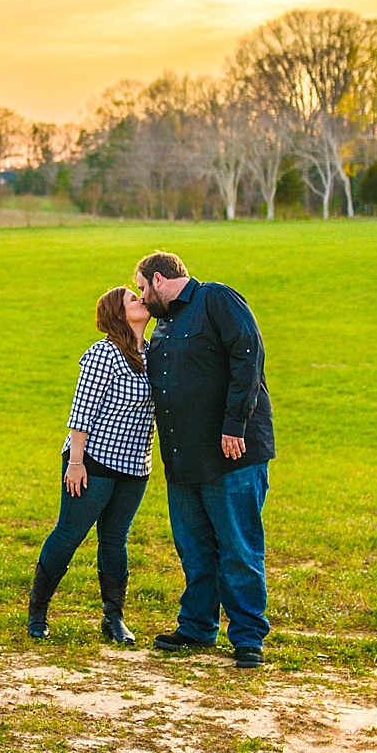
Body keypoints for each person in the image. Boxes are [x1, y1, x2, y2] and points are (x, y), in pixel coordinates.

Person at [135, 250, 275, 670]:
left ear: (159, 280)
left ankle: (248, 637)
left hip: (232, 454)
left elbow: (248, 356)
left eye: (142, 287)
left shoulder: (215, 299)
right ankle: (197, 626)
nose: (141, 298)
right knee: (194, 548)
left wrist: (235, 424)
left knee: (238, 547)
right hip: (183, 458)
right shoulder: (163, 327)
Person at [27, 286, 154, 643]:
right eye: (133, 298)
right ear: (118, 313)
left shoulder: (154, 354)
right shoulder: (103, 354)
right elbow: (81, 412)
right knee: (69, 534)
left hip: (134, 467)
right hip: (93, 462)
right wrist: (77, 462)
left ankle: (113, 619)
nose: (142, 300)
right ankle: (37, 612)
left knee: (115, 540)